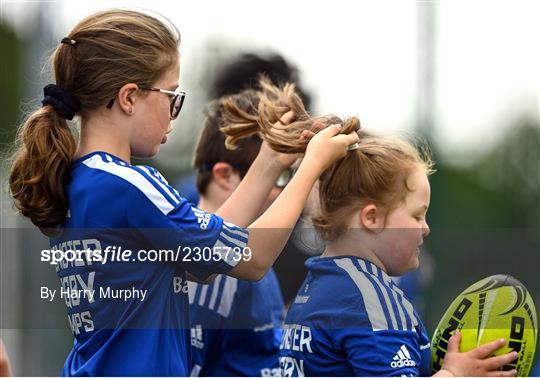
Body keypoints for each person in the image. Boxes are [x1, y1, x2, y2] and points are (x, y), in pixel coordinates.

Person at [7, 9, 358, 376]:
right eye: (171, 95)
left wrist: (269, 161)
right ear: (129, 97)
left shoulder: (82, 180)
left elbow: (207, 262)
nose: (174, 112)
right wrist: (312, 165)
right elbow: (253, 260)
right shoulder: (130, 185)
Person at [220, 80, 519, 377]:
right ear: (371, 218)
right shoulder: (370, 299)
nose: (425, 228)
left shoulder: (317, 287)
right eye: (417, 216)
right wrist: (456, 374)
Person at [189, 88, 286, 377]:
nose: (282, 190)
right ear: (224, 175)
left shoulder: (251, 249)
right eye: (276, 175)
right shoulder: (210, 272)